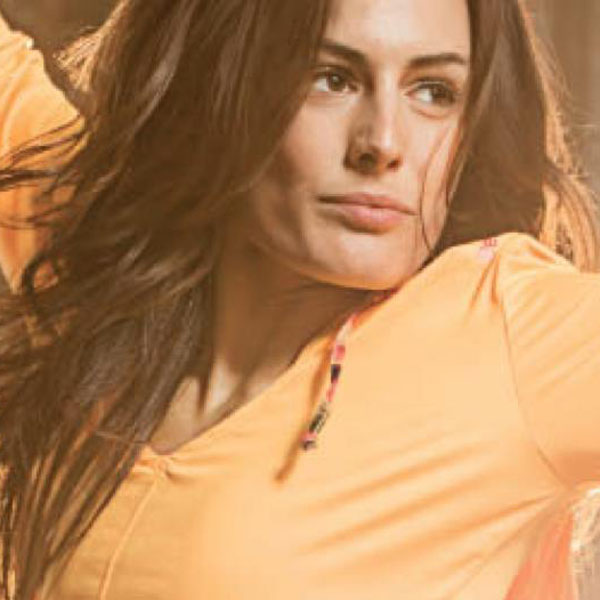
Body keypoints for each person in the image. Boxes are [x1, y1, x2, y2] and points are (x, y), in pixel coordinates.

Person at [0, 0, 600, 598]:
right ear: (220, 82)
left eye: (433, 92)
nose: (382, 143)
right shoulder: (101, 260)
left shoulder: (502, 333)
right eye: (331, 78)